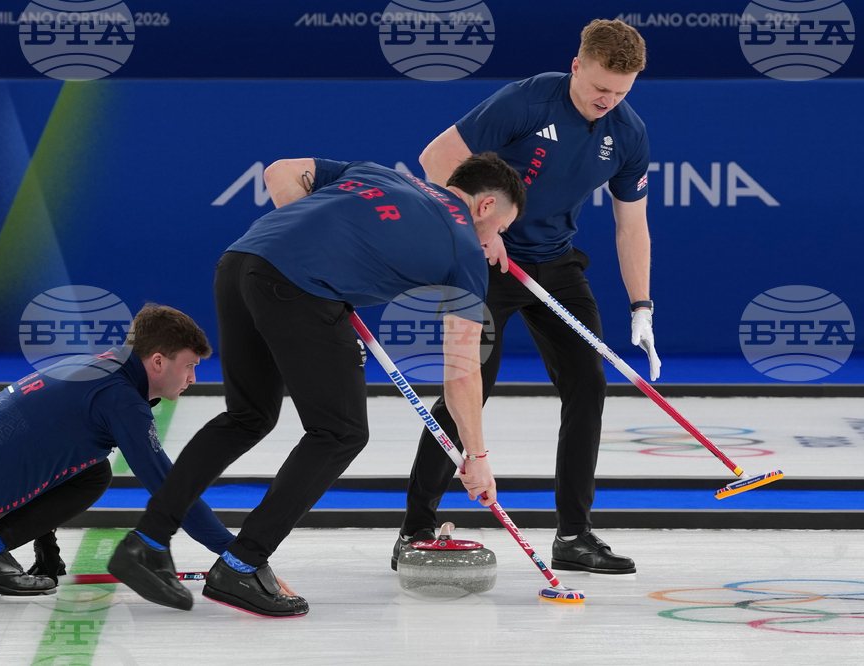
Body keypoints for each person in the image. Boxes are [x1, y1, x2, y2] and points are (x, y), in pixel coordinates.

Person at [107, 152, 526, 618]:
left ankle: (146, 542)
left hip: (243, 260)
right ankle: (241, 564)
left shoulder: (380, 174)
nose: (495, 244)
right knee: (340, 431)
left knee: (247, 416)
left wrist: (311, 249)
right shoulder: (465, 249)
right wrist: (478, 457)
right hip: (298, 288)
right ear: (485, 206)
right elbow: (463, 369)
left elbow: (280, 172)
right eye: (502, 231)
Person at [396, 19, 658, 575]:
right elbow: (436, 159)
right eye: (598, 89)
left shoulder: (628, 133)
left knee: (588, 384)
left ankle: (574, 534)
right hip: (484, 260)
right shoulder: (528, 101)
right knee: (468, 390)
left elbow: (630, 225)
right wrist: (481, 232)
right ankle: (415, 529)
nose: (606, 101)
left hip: (555, 265)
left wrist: (642, 305)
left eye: (620, 92)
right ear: (577, 66)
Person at [0, 304, 236, 595]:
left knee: (92, 472)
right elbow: (171, 491)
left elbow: (49, 447)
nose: (193, 378)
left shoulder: (93, 365)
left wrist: (47, 548)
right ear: (158, 361)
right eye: (189, 366)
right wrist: (237, 554)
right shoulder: (120, 399)